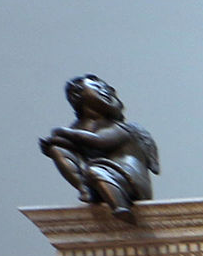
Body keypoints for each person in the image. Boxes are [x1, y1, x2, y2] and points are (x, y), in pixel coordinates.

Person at [39, 75, 158, 220]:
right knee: (57, 148)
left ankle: (120, 206)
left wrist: (62, 132)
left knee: (96, 171)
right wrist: (54, 145)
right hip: (97, 177)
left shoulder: (121, 127)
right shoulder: (78, 129)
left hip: (129, 178)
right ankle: (85, 189)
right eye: (98, 88)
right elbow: (78, 148)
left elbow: (99, 141)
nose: (106, 91)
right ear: (77, 95)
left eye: (108, 89)